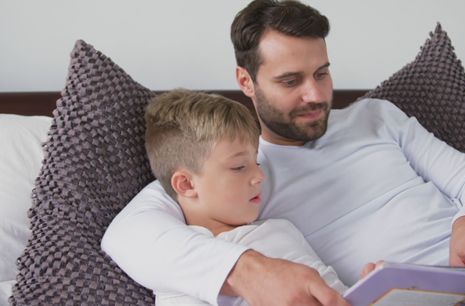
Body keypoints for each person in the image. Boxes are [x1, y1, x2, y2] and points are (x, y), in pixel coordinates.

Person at [103, 0, 465, 305]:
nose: (316, 95)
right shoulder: (232, 172)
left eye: (322, 72)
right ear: (246, 80)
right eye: (291, 80)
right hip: (437, 298)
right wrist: (249, 270)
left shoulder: (377, 116)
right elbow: (126, 235)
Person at [127, 89, 347, 306]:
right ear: (186, 184)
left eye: (256, 162)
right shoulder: (183, 275)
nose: (259, 176)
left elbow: (336, 296)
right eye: (239, 167)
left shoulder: (280, 229)